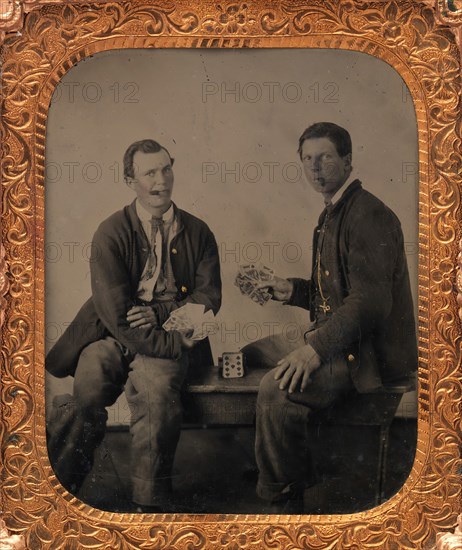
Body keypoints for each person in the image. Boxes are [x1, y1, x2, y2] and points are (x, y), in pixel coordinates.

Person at [46, 139, 221, 512]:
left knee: (158, 397)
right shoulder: (110, 232)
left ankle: (149, 505)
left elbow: (209, 300)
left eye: (166, 169)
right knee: (86, 392)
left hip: (169, 332)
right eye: (150, 173)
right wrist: (172, 346)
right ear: (131, 180)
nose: (162, 180)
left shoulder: (200, 232)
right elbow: (115, 312)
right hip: (113, 334)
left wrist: (161, 315)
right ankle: (57, 490)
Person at [251, 122, 417, 513]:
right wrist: (292, 289)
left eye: (324, 157)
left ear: (347, 160)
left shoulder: (368, 215)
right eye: (307, 160)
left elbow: (372, 302)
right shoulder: (334, 212)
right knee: (253, 353)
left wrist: (313, 351)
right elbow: (336, 296)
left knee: (273, 390)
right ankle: (287, 465)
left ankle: (283, 498)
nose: (315, 168)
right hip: (340, 340)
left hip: (367, 357)